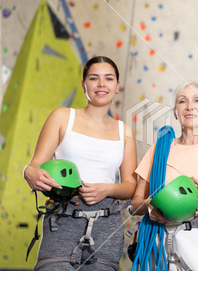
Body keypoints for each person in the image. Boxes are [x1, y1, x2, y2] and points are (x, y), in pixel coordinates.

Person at [23, 56, 137, 270]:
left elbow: (131, 187)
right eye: (94, 78)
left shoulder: (125, 132)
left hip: (106, 224)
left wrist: (107, 189)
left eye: (108, 79)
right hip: (63, 218)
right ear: (84, 84)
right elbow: (33, 166)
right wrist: (30, 174)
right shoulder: (62, 117)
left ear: (117, 86)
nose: (102, 84)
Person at [130, 81, 198, 270]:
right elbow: (134, 206)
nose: (189, 106)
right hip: (157, 247)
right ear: (176, 112)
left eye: (197, 100)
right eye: (182, 101)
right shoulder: (158, 151)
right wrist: (151, 206)